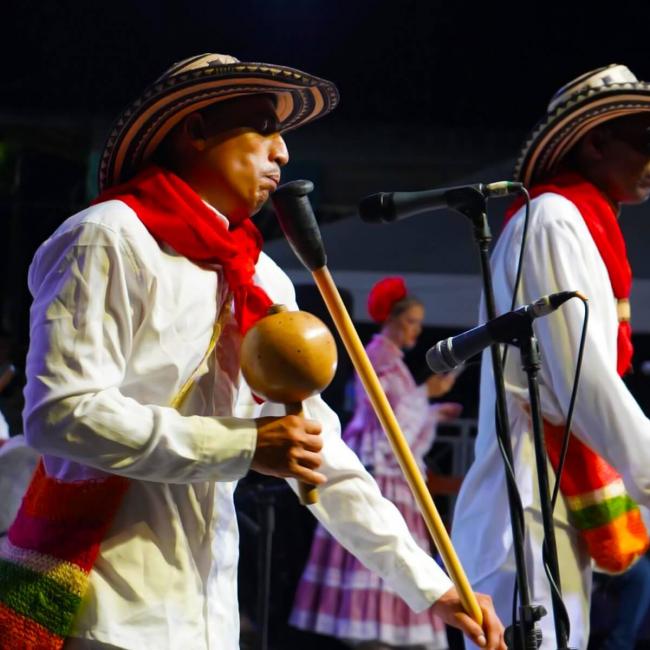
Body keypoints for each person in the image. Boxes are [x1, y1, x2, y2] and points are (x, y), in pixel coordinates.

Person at [0, 53, 505, 650]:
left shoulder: (260, 275)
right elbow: (60, 413)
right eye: (264, 126)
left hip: (207, 613)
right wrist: (244, 444)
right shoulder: (108, 235)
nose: (284, 152)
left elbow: (320, 452)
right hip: (98, 606)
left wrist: (432, 584)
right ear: (195, 130)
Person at [451, 63, 650, 649]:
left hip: (547, 496)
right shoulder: (553, 219)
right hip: (527, 505)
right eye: (647, 141)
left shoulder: (577, 221)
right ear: (596, 141)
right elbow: (584, 385)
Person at [290, 276, 462, 650]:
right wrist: (426, 396)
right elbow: (386, 425)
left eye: (418, 322)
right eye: (412, 320)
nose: (416, 329)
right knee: (376, 539)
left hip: (390, 470)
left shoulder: (393, 361)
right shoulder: (380, 356)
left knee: (397, 545)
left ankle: (388, 631)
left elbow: (402, 421)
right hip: (378, 469)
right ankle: (374, 633)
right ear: (394, 319)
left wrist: (431, 410)